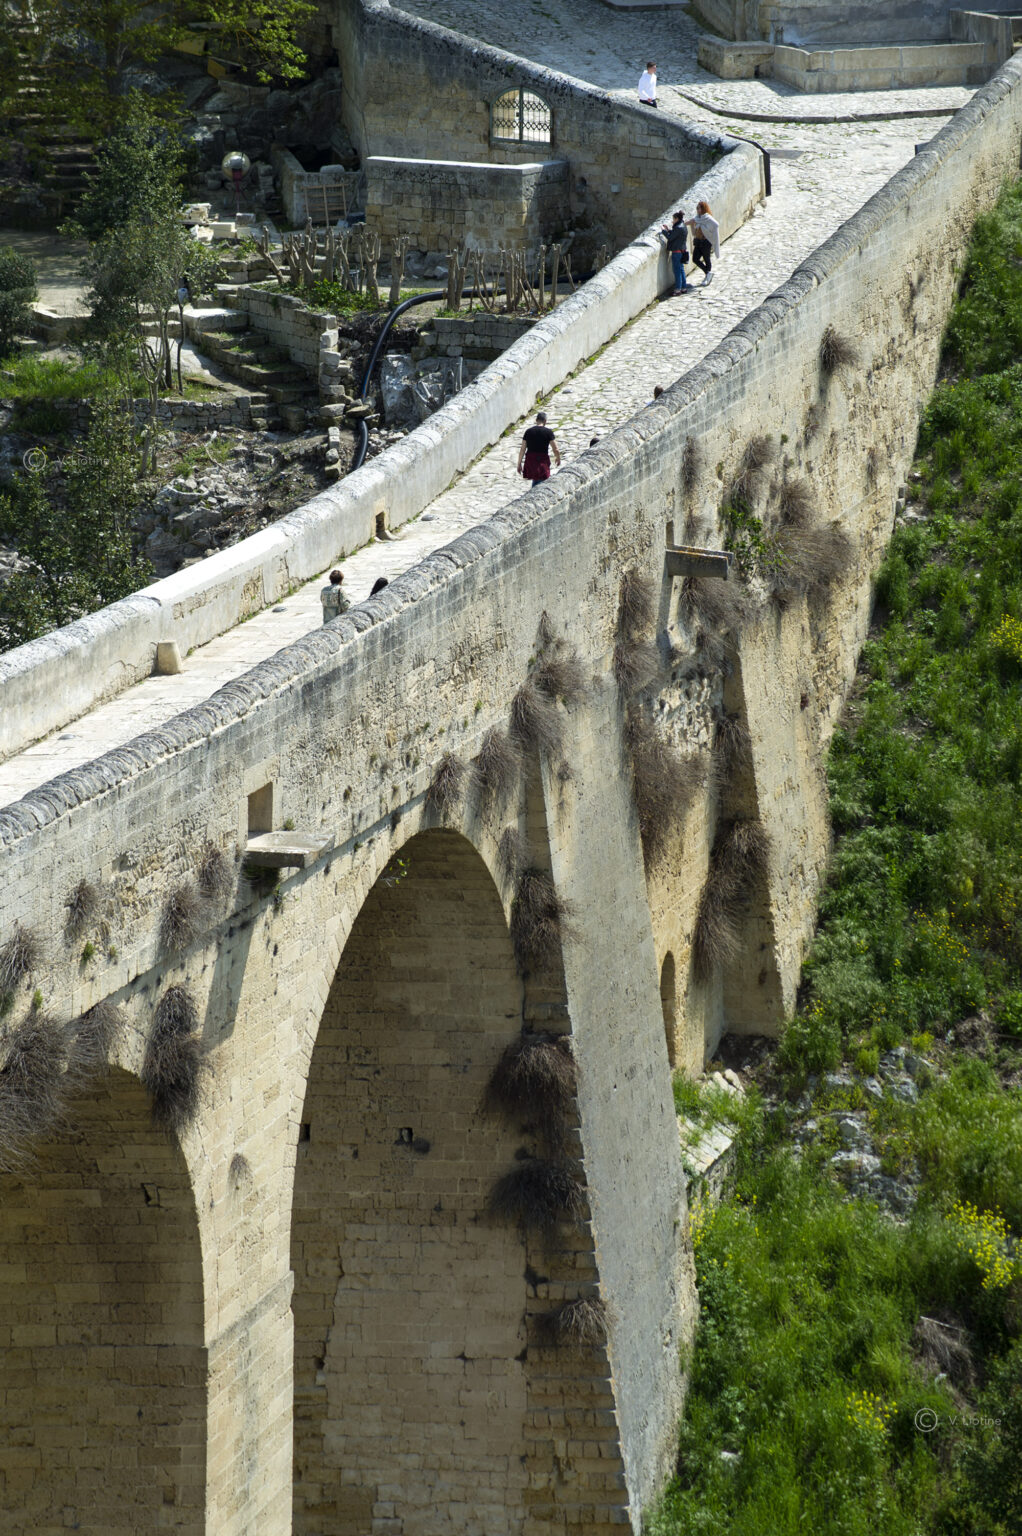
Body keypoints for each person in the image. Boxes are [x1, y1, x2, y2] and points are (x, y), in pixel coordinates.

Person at [517, 411, 561, 486]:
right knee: (541, 481)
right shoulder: (548, 432)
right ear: (545, 421)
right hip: (542, 460)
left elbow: (522, 449)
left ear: (536, 420)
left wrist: (519, 463)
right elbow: (555, 449)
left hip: (531, 460)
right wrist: (558, 458)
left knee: (536, 480)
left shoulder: (528, 432)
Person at [688, 200, 720, 286]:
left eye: (699, 208)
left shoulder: (708, 218)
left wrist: (709, 233)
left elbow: (716, 225)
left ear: (703, 208)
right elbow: (694, 233)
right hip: (698, 242)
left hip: (706, 242)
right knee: (695, 259)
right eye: (697, 208)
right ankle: (708, 273)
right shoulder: (697, 219)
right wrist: (691, 225)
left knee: (706, 259)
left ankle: (707, 276)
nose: (698, 210)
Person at [660, 209, 691, 295]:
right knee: (681, 270)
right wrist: (668, 230)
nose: (672, 221)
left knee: (677, 271)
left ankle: (677, 290)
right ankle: (684, 288)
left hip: (677, 252)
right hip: (682, 251)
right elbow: (675, 235)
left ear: (677, 219)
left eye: (673, 219)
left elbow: (670, 238)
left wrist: (663, 231)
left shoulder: (677, 227)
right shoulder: (683, 225)